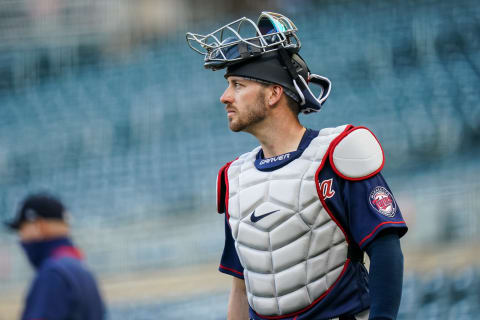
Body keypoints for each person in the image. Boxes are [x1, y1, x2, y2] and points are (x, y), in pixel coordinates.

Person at [187, 12, 408, 320]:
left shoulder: (338, 154)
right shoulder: (234, 178)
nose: (225, 97)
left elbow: (385, 250)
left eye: (237, 85)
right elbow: (241, 286)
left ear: (274, 93)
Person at [5, 192, 105, 320]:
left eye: (22, 230)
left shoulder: (52, 273)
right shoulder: (83, 271)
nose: (21, 238)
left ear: (39, 226)